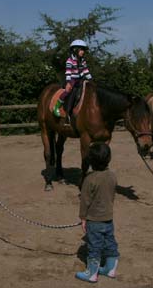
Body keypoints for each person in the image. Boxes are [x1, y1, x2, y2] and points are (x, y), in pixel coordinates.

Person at [76, 143, 119, 283]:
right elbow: (111, 195)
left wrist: (83, 218)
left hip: (94, 220)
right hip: (108, 218)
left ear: (90, 160)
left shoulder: (89, 179)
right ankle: (110, 269)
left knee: (94, 246)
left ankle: (92, 274)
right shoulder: (112, 176)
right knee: (110, 243)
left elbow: (85, 201)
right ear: (109, 158)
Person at [53, 39, 93, 119]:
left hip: (81, 79)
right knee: (68, 91)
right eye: (81, 50)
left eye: (83, 50)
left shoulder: (83, 60)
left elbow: (86, 70)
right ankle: (57, 107)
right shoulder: (69, 61)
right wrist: (68, 82)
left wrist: (91, 79)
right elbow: (68, 72)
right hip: (72, 79)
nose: (83, 52)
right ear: (75, 50)